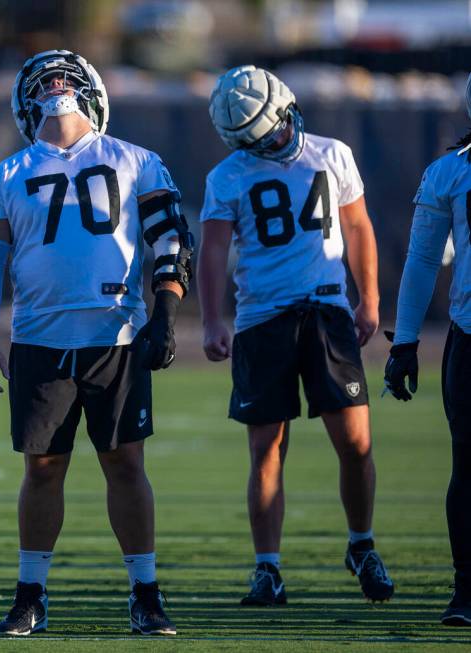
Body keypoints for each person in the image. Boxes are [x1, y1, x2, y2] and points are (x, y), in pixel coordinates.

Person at [0, 50, 192, 636]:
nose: (57, 87)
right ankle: (30, 595)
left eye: (68, 78)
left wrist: (166, 314)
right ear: (24, 102)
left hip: (114, 334)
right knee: (41, 468)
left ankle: (146, 592)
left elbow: (171, 241)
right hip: (40, 339)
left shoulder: (137, 160)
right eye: (46, 80)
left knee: (124, 462)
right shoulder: (5, 176)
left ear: (93, 91)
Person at [198, 65, 393, 605]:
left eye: (278, 127)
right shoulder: (228, 176)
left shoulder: (332, 153)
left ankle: (362, 543)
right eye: (263, 137)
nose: (277, 140)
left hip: (327, 313)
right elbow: (213, 249)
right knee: (266, 448)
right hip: (263, 321)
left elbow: (357, 226)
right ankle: (268, 567)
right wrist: (214, 319)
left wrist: (370, 297)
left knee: (355, 442)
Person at [384, 73, 471, 626]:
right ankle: (467, 587)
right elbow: (420, 261)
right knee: (468, 468)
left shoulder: (452, 169)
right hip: (470, 335)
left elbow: (420, 262)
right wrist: (406, 340)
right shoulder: (452, 171)